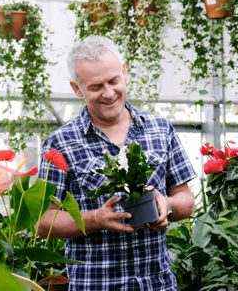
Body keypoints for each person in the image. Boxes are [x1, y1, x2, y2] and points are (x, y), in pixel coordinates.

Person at [37, 35, 197, 291]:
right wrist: (97, 219)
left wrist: (166, 205)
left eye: (114, 81)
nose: (109, 93)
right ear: (77, 88)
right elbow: (44, 222)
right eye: (96, 86)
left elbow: (185, 200)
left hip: (157, 284)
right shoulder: (60, 144)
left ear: (124, 72)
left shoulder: (160, 129)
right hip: (97, 285)